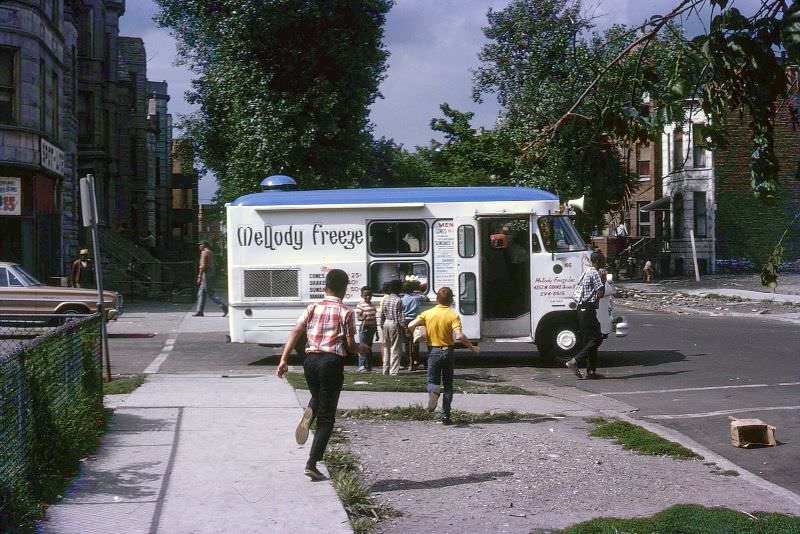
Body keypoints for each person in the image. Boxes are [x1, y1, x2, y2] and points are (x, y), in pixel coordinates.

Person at [276, 269, 359, 481]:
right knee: (327, 417)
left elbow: (295, 332)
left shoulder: (312, 307)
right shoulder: (346, 312)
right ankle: (312, 464)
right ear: (345, 288)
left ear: (325, 287)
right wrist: (361, 349)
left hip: (310, 361)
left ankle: (310, 411)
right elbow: (350, 346)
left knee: (319, 395)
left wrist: (284, 358)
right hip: (331, 362)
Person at [407, 287, 479, 425]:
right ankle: (446, 416)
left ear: (437, 300)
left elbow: (410, 324)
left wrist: (419, 334)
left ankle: (434, 392)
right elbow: (459, 336)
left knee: (432, 380)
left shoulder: (427, 314)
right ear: (451, 300)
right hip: (448, 351)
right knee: (448, 385)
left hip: (433, 351)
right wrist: (472, 347)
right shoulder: (453, 315)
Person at [566, 251, 607, 379]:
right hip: (588, 309)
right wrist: (603, 281)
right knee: (597, 339)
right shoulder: (594, 273)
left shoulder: (586, 272)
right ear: (598, 261)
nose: (605, 263)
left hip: (581, 309)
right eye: (603, 260)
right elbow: (600, 294)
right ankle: (574, 361)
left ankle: (591, 371)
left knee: (589, 340)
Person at [193, 241, 228, 317]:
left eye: (200, 245)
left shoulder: (204, 252)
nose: (199, 246)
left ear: (204, 245)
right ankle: (199, 311)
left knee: (210, 293)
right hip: (210, 274)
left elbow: (203, 266)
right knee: (201, 293)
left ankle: (224, 307)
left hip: (206, 275)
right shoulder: (211, 252)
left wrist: (199, 276)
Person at [400, 278, 428, 370]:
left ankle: (410, 362)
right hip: (415, 321)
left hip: (406, 321)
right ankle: (414, 363)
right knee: (415, 342)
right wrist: (419, 291)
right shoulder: (417, 297)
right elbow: (426, 298)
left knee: (408, 343)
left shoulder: (402, 299)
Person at [380, 279, 405, 375]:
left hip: (386, 322)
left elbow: (382, 314)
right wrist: (405, 328)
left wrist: (382, 325)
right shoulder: (398, 300)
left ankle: (385, 370)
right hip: (394, 323)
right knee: (395, 348)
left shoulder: (386, 299)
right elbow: (400, 317)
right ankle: (393, 371)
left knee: (386, 347)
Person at [356, 286, 377, 372]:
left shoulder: (373, 306)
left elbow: (374, 319)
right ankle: (361, 366)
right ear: (362, 296)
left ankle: (369, 366)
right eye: (365, 295)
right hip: (364, 329)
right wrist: (363, 317)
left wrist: (377, 332)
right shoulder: (360, 305)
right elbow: (358, 317)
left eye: (369, 295)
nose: (367, 297)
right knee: (363, 347)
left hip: (371, 329)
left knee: (369, 348)